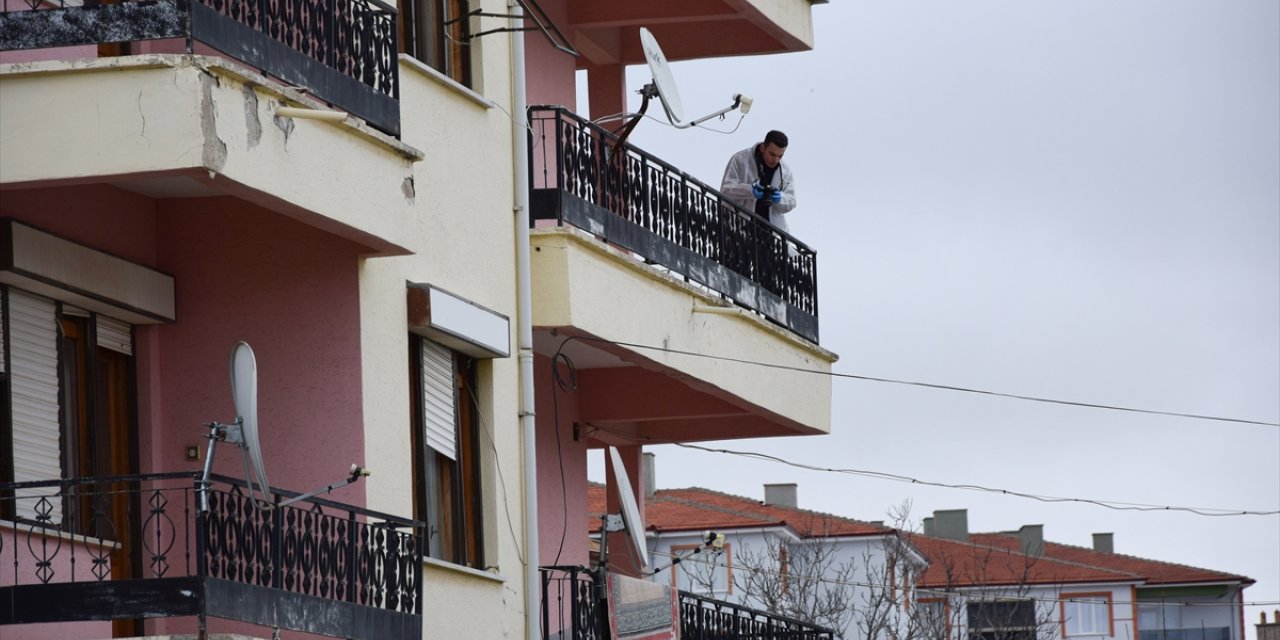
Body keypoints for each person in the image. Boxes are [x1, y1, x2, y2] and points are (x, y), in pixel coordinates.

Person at [720, 130, 797, 232]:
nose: (775, 160)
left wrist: (779, 198)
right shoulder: (740, 159)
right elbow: (726, 190)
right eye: (772, 154)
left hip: (770, 233)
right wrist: (750, 191)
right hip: (739, 227)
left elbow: (791, 201)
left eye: (780, 156)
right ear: (762, 148)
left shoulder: (785, 171)